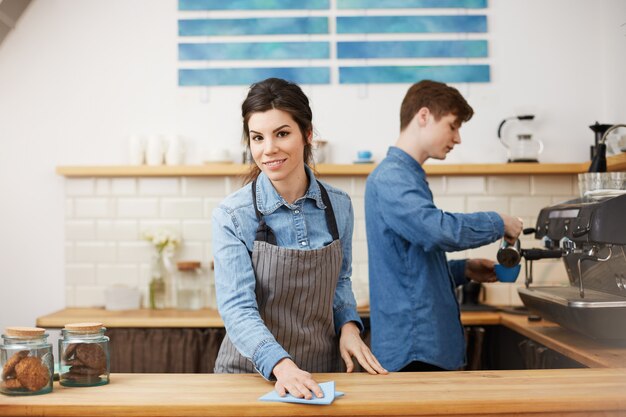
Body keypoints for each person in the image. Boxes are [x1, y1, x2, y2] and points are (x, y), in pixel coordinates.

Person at [212, 77, 387, 399]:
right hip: (249, 376)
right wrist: (282, 365)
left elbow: (341, 281)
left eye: (282, 134)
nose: (268, 150)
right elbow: (237, 308)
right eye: (257, 138)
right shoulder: (232, 214)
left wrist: (349, 326)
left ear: (307, 135)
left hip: (321, 372)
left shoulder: (339, 206)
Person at [364, 80, 523, 372]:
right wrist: (499, 223)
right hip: (416, 350)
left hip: (421, 348)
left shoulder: (405, 176)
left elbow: (409, 265)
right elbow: (437, 231)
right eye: (453, 125)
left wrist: (464, 270)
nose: (458, 138)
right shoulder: (392, 178)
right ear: (423, 116)